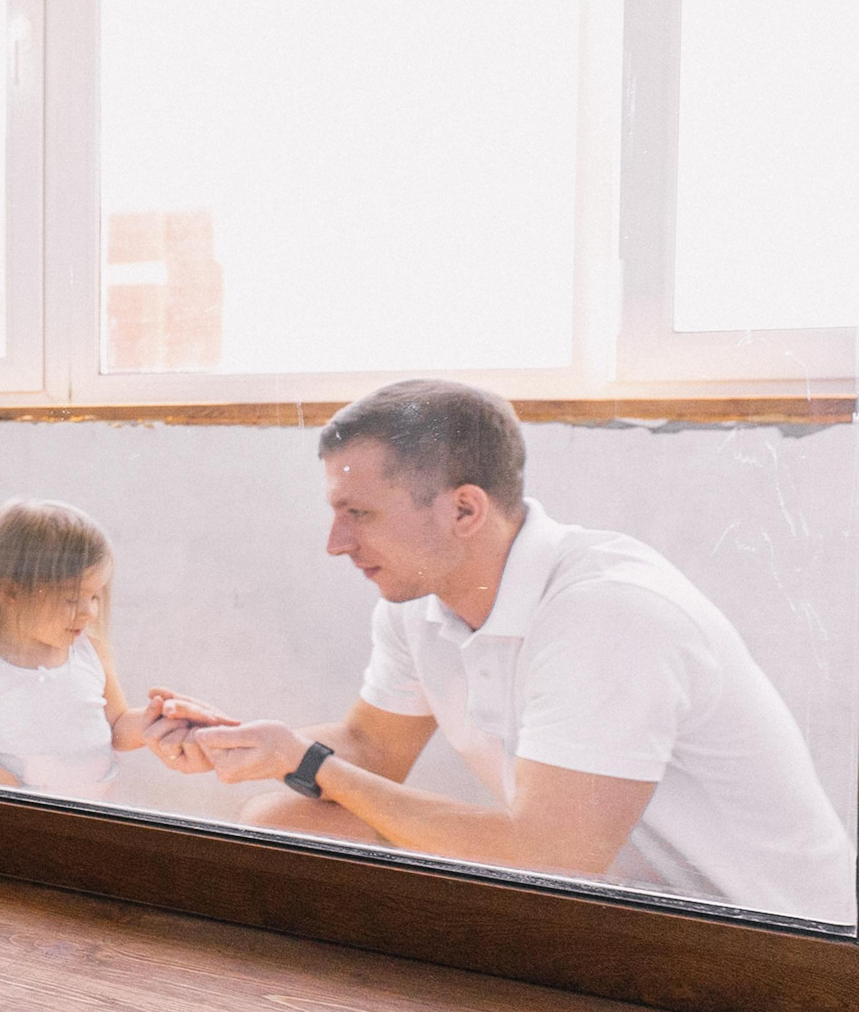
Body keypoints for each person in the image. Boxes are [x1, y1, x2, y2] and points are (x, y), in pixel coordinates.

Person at [145, 379, 855, 925]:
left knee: (307, 814)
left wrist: (308, 762)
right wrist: (247, 745)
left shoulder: (606, 614)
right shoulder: (418, 604)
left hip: (781, 951)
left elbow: (550, 856)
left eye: (358, 514)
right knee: (283, 819)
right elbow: (369, 744)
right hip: (628, 914)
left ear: (464, 510)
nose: (336, 542)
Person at [0, 499, 152, 797]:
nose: (88, 612)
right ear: (11, 591)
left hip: (95, 814)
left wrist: (155, 721)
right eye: (72, 599)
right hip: (19, 820)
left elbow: (118, 727)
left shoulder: (90, 653)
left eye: (95, 596)